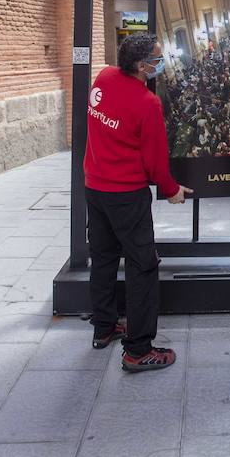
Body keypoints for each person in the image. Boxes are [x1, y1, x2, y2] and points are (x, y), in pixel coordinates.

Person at [83, 33, 193, 373]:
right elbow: (155, 161)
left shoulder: (104, 77)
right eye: (157, 58)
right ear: (142, 66)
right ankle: (138, 350)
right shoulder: (147, 103)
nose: (161, 62)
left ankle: (104, 327)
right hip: (126, 195)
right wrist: (171, 189)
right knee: (142, 266)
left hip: (95, 187)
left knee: (103, 258)